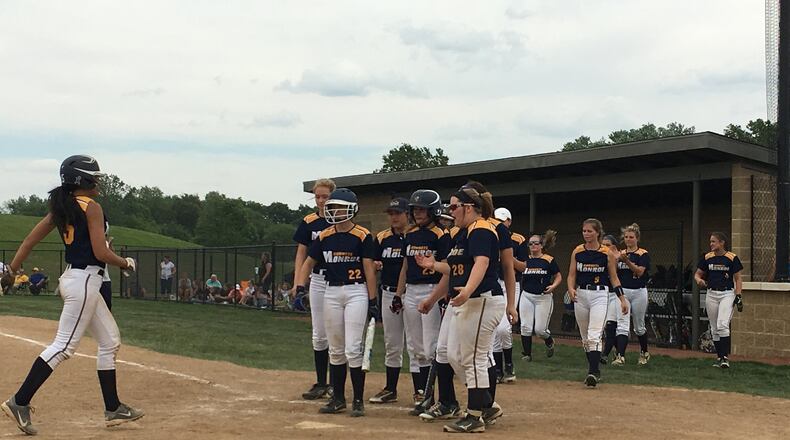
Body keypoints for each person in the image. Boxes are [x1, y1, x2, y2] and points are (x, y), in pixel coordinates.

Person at [0, 155, 143, 435]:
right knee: (64, 346)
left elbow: (29, 241)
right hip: (86, 280)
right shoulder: (91, 207)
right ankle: (20, 401)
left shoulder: (62, 207)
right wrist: (126, 262)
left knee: (110, 341)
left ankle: (113, 408)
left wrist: (12, 269)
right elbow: (101, 253)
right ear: (83, 180)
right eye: (95, 177)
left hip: (76, 278)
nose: (99, 182)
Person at [415, 182, 506, 433]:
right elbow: (456, 267)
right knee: (454, 356)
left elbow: (482, 262)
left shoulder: (481, 229)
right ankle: (486, 405)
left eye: (454, 207)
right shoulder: (463, 233)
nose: (450, 211)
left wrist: (467, 289)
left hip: (482, 300)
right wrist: (433, 265)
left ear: (468, 207)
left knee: (473, 358)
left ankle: (475, 416)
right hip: (470, 300)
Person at [296, 188, 377, 417]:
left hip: (356, 292)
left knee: (353, 348)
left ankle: (358, 400)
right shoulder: (324, 235)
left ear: (351, 209)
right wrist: (301, 286)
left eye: (339, 207)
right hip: (331, 292)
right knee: (336, 349)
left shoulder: (362, 235)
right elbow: (309, 262)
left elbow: (369, 269)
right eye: (332, 207)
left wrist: (372, 299)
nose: (334, 211)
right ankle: (338, 398)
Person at [394, 189, 449, 414]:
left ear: (433, 211)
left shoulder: (441, 234)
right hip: (412, 290)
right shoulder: (411, 234)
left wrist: (441, 295)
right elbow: (406, 266)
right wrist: (399, 293)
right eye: (415, 209)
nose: (417, 213)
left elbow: (446, 267)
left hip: (431, 289)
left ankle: (438, 397)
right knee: (415, 347)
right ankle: (422, 396)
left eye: (422, 209)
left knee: (431, 346)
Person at [566, 218, 629, 388]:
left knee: (595, 334)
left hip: (600, 294)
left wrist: (622, 299)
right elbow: (571, 274)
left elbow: (614, 278)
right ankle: (595, 369)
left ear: (597, 233)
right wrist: (571, 288)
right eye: (584, 231)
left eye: (590, 231)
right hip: (581, 294)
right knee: (585, 336)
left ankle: (592, 372)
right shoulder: (577, 251)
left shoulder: (606, 252)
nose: (586, 234)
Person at [293, 178, 335, 400]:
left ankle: (335, 384)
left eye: (325, 196)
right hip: (318, 279)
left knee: (336, 332)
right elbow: (302, 253)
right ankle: (321, 382)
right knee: (319, 333)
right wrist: (298, 282)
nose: (320, 200)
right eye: (317, 196)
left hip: (339, 280)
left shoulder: (340, 220)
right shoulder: (309, 222)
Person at [369, 198, 409, 404]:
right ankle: (390, 388)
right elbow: (374, 264)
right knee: (392, 343)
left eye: (398, 213)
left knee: (415, 344)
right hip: (388, 292)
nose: (394, 217)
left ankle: (421, 390)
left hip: (412, 293)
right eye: (391, 213)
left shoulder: (415, 236)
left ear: (407, 214)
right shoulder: (383, 238)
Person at [694, 232, 743, 369]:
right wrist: (699, 280)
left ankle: (725, 357)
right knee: (714, 328)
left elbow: (738, 278)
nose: (711, 244)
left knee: (722, 324)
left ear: (722, 243)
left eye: (714, 241)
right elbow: (697, 274)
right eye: (710, 241)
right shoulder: (707, 257)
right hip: (711, 293)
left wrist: (738, 296)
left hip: (727, 293)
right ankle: (720, 357)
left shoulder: (731, 258)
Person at [514, 230, 561, 361]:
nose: (533, 246)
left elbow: (558, 275)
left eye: (536, 243)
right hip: (527, 295)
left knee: (540, 330)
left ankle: (549, 341)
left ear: (541, 245)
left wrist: (553, 286)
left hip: (543, 297)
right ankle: (527, 354)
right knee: (525, 326)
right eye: (530, 244)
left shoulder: (548, 259)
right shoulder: (524, 260)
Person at [613, 223, 651, 366]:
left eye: (631, 237)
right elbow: (614, 272)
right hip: (623, 292)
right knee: (622, 324)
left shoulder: (642, 254)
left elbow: (640, 272)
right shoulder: (620, 253)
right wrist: (616, 259)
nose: (628, 240)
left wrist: (626, 261)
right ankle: (620, 356)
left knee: (639, 326)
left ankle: (644, 352)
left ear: (637, 238)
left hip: (639, 291)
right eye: (626, 237)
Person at [490, 207, 518, 384]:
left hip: (512, 284)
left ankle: (508, 364)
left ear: (509, 221)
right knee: (494, 331)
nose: (501, 224)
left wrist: (508, 257)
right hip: (495, 283)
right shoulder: (489, 233)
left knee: (503, 329)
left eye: (503, 221)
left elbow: (522, 267)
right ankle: (498, 369)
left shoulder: (517, 239)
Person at [600, 234, 621, 365]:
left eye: (608, 245)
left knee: (610, 324)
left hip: (615, 294)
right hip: (602, 294)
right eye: (603, 245)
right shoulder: (599, 257)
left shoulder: (618, 257)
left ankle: (605, 354)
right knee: (605, 326)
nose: (605, 248)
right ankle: (618, 351)